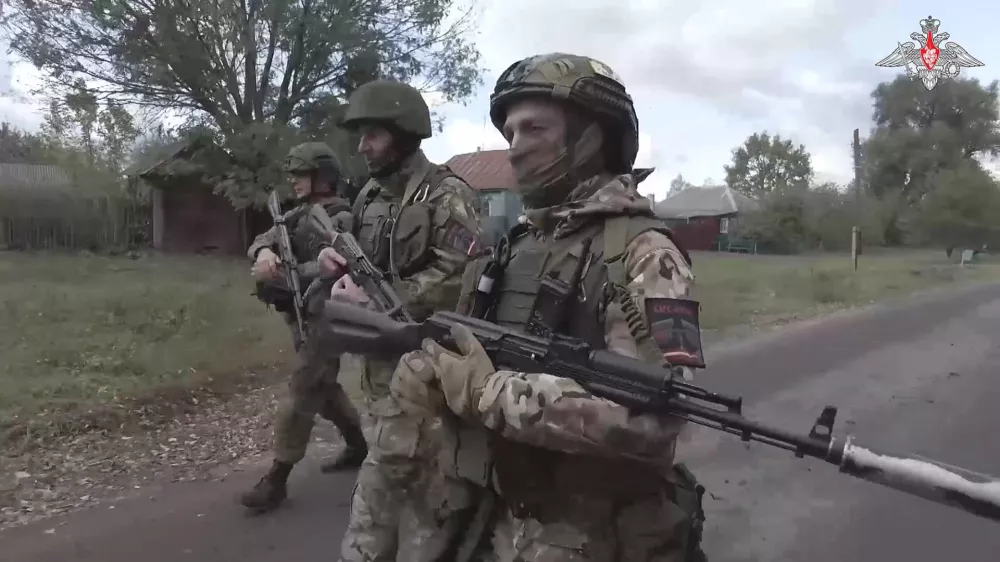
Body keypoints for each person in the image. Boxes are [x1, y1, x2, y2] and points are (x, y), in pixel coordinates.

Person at [388, 53, 710, 561]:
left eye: (533, 128)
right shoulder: (517, 243)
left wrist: (491, 393)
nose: (514, 148)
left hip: (592, 533)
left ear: (592, 137)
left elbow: (656, 419)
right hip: (496, 510)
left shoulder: (643, 254)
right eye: (510, 132)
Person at [318, 79, 485, 561]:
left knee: (428, 501)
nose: (363, 147)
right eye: (362, 136)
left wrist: (392, 303)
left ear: (405, 134)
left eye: (373, 135)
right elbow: (356, 251)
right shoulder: (369, 195)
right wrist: (336, 262)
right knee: (383, 483)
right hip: (377, 370)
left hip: (429, 371)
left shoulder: (448, 194)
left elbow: (461, 272)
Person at [240, 142, 368, 513]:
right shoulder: (295, 213)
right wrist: (264, 253)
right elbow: (268, 237)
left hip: (327, 316)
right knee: (323, 387)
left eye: (301, 173)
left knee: (303, 388)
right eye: (293, 174)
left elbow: (340, 267)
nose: (294, 181)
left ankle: (277, 479)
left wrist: (290, 272)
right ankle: (358, 445)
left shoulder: (339, 217)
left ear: (322, 175)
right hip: (299, 314)